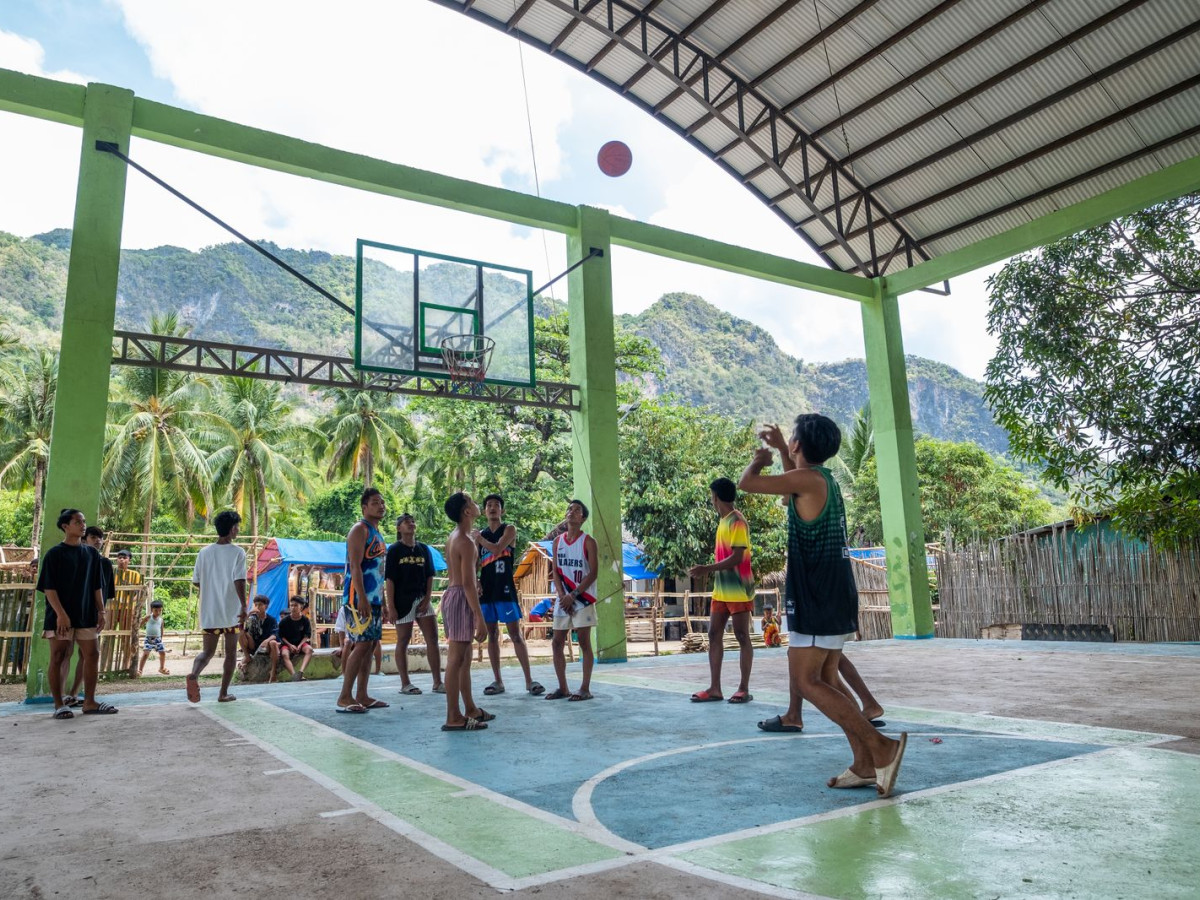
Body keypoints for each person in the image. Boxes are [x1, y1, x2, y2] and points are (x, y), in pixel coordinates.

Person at [739, 415, 907, 797]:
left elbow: (748, 485)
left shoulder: (808, 480)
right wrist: (783, 450)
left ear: (801, 445)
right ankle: (864, 763)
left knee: (806, 681)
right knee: (828, 680)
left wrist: (759, 461)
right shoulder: (818, 480)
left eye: (792, 439)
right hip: (832, 590)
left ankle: (883, 748)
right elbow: (787, 493)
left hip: (817, 592)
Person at [37, 508, 117, 718]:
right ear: (65, 526)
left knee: (92, 654)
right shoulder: (54, 554)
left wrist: (101, 611)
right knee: (58, 655)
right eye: (78, 522)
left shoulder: (91, 554)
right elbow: (48, 588)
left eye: (83, 521)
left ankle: (89, 702)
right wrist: (61, 614)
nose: (83, 525)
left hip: (86, 614)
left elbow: (97, 586)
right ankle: (58, 704)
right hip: (59, 616)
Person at [688, 477, 755, 705]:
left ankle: (743, 688)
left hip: (738, 589)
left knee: (742, 636)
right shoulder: (724, 521)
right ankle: (715, 688)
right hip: (721, 590)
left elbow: (737, 557)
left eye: (711, 496)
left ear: (715, 496)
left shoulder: (737, 521)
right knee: (714, 634)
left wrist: (706, 568)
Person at [475, 494, 543, 696]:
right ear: (485, 511)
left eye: (496, 505)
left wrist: (478, 538)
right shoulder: (481, 535)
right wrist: (476, 580)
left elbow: (496, 550)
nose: (493, 508)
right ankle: (497, 681)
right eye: (489, 505)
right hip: (487, 591)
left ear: (502, 511)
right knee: (492, 635)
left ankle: (530, 681)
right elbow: (475, 564)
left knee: (515, 635)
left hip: (505, 589)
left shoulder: (509, 529)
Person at [335, 488, 390, 713]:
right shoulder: (359, 530)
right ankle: (344, 695)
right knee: (361, 644)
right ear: (364, 507)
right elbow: (355, 566)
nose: (381, 506)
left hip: (375, 598)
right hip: (358, 598)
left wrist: (383, 601)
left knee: (370, 646)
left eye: (382, 502)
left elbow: (380, 571)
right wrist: (362, 598)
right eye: (375, 502)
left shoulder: (378, 533)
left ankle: (362, 694)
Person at [440, 491, 491, 731]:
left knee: (464, 658)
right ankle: (453, 716)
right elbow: (469, 583)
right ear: (466, 511)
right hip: (461, 596)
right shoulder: (466, 541)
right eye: (472, 502)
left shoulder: (456, 537)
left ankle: (469, 708)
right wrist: (479, 618)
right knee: (456, 658)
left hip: (454, 595)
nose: (476, 504)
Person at [187, 510, 247, 704]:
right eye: (237, 526)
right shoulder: (238, 552)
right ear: (232, 529)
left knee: (207, 652)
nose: (238, 529)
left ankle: (194, 674)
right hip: (231, 610)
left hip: (210, 610)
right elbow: (239, 580)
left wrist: (212, 586)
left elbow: (197, 582)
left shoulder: (204, 552)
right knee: (230, 654)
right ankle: (222, 693)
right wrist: (244, 605)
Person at [385, 513, 443, 696]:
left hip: (421, 598)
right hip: (402, 602)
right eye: (405, 522)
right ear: (399, 528)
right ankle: (405, 683)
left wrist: (427, 598)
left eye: (412, 521)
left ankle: (437, 682)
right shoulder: (394, 550)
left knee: (432, 639)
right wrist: (391, 607)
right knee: (403, 640)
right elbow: (390, 580)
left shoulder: (424, 549)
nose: (410, 524)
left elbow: (429, 576)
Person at [546, 499, 597, 702]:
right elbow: (555, 572)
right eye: (569, 509)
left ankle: (585, 688)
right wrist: (561, 596)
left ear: (583, 518)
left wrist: (573, 595)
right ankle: (563, 687)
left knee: (583, 642)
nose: (571, 512)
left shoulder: (588, 542)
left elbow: (593, 573)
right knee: (557, 642)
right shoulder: (557, 542)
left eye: (577, 510)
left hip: (582, 598)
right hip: (563, 598)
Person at [61, 525, 116, 704]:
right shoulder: (73, 559)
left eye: (100, 537)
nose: (98, 540)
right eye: (93, 537)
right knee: (64, 652)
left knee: (88, 655)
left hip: (93, 615)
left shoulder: (105, 564)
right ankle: (60, 697)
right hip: (71, 612)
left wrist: (102, 612)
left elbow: (106, 592)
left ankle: (74, 693)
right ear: (84, 539)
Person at [240, 595, 280, 682]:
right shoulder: (252, 618)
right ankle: (247, 657)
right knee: (240, 633)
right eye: (256, 605)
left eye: (260, 605)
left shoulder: (271, 620)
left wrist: (267, 640)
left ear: (266, 606)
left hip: (266, 646)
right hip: (253, 645)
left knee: (273, 642)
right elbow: (241, 627)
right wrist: (249, 614)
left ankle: (273, 671)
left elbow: (275, 634)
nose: (257, 607)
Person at [276, 596, 313, 681]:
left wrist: (299, 645)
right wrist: (290, 645)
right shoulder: (284, 621)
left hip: (301, 643)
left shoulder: (305, 620)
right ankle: (294, 675)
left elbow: (307, 635)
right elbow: (281, 636)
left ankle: (300, 672)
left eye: (296, 605)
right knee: (285, 654)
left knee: (309, 650)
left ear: (301, 607)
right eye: (291, 605)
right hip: (287, 644)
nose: (293, 607)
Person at [139, 599, 169, 676]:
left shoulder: (161, 620)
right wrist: (138, 628)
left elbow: (161, 630)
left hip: (158, 639)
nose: (158, 612)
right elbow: (140, 624)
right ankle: (140, 670)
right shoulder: (148, 617)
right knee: (145, 654)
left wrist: (161, 639)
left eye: (160, 610)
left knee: (162, 653)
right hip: (149, 639)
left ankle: (161, 668)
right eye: (156, 610)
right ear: (152, 610)